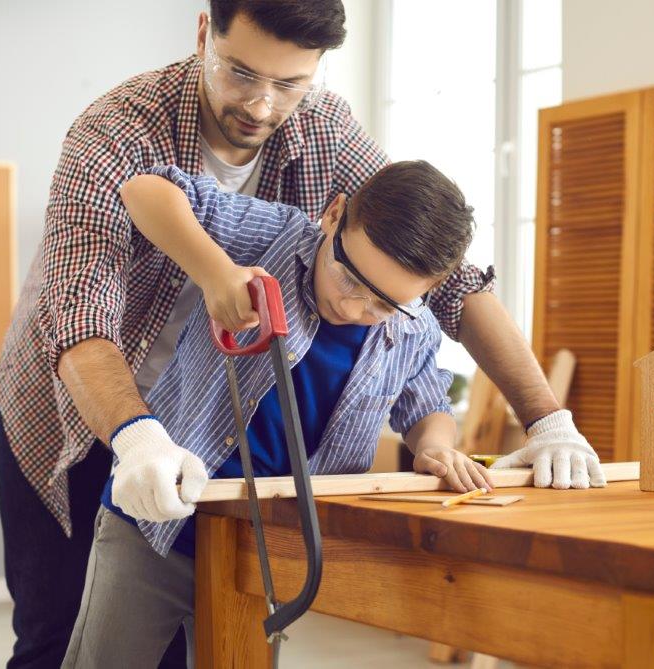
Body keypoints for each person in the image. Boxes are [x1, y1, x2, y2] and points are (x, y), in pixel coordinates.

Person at [0, 1, 603, 666]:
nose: (260, 105)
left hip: (218, 476)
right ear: (205, 34)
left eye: (289, 84)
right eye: (241, 73)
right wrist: (207, 287)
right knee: (55, 636)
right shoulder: (117, 130)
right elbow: (81, 313)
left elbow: (443, 276)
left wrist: (547, 419)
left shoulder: (327, 132)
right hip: (79, 406)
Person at [62, 159, 493, 666]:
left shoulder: (414, 330)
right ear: (335, 215)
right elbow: (143, 191)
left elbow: (428, 406)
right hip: (153, 525)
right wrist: (215, 271)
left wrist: (436, 446)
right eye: (350, 279)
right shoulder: (275, 236)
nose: (356, 310)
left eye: (385, 305)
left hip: (265, 551)